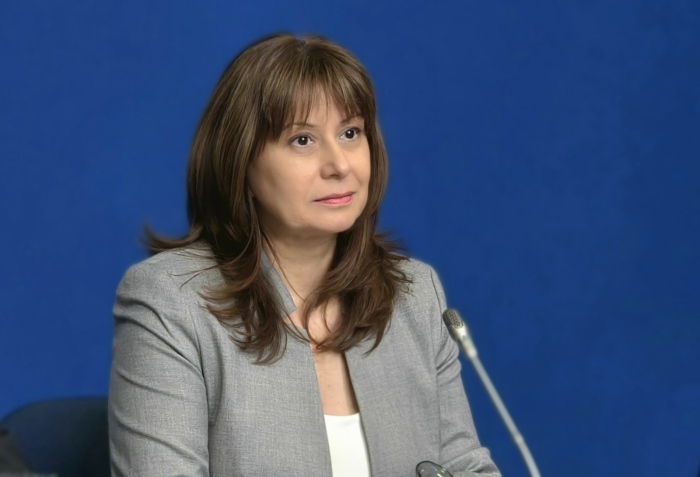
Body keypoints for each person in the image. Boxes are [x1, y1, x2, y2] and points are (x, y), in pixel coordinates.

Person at [108, 33, 500, 477]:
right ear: (240, 161)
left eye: (350, 133)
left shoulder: (413, 294)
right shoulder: (170, 301)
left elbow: (464, 465)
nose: (340, 165)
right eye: (302, 140)